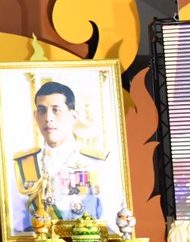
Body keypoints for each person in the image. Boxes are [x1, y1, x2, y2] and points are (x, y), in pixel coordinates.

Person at [10, 79, 122, 234]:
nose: (48, 118)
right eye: (42, 110)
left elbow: (112, 224)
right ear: (35, 116)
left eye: (56, 110)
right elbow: (16, 228)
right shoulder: (23, 165)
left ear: (74, 116)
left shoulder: (96, 163)